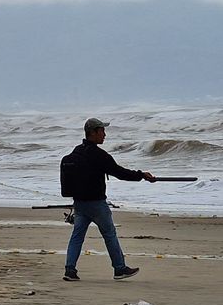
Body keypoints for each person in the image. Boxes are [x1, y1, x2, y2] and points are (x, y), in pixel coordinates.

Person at [64, 117, 155, 281]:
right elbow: (120, 173)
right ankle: (119, 269)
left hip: (79, 203)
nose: (104, 135)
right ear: (93, 133)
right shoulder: (99, 155)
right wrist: (141, 175)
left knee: (77, 236)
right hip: (97, 204)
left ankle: (70, 270)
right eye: (102, 131)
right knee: (109, 234)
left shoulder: (76, 152)